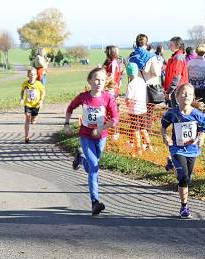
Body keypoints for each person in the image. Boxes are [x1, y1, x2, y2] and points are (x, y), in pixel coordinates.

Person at [64, 67, 118, 216]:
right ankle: (95, 202)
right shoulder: (83, 97)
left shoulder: (108, 98)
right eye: (96, 79)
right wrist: (67, 124)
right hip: (86, 135)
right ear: (89, 81)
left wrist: (101, 129)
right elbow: (70, 108)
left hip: (101, 136)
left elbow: (115, 119)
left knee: (91, 167)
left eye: (102, 80)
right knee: (94, 167)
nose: (99, 82)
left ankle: (80, 159)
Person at [161, 83, 205, 218]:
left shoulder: (197, 115)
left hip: (192, 150)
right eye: (183, 93)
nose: (186, 96)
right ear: (177, 96)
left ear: (193, 96)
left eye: (189, 93)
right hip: (177, 149)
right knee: (183, 178)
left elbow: (204, 128)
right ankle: (184, 207)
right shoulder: (172, 113)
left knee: (188, 178)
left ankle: (172, 165)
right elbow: (163, 126)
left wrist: (201, 137)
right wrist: (165, 137)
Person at [129, 34, 162, 132]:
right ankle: (146, 132)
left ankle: (136, 133)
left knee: (137, 112)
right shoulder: (151, 56)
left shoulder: (131, 56)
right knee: (148, 112)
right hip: (149, 88)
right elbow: (157, 73)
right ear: (146, 43)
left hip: (136, 87)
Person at [125, 62, 152, 156]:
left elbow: (128, 98)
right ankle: (149, 146)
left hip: (134, 111)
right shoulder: (141, 81)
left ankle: (138, 150)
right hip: (143, 109)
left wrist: (127, 103)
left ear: (128, 73)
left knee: (136, 130)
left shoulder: (131, 84)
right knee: (143, 128)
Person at [20, 68, 45, 143]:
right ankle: (26, 137)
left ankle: (33, 118)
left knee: (33, 121)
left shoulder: (38, 84)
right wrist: (21, 98)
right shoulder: (25, 83)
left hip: (36, 105)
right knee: (27, 118)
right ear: (28, 75)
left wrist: (41, 101)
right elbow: (22, 91)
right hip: (27, 104)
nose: (32, 76)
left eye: (34, 74)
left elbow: (43, 92)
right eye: (30, 74)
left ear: (36, 75)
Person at [164, 36, 189, 108]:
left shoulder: (178, 58)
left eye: (171, 45)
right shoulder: (175, 57)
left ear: (177, 45)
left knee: (177, 111)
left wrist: (170, 91)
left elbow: (177, 76)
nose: (169, 46)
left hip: (177, 89)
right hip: (174, 89)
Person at [188, 44, 205, 108]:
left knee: (192, 109)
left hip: (192, 89)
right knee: (202, 109)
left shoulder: (189, 63)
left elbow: (187, 75)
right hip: (204, 90)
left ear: (196, 52)